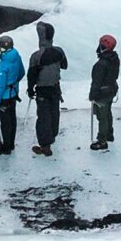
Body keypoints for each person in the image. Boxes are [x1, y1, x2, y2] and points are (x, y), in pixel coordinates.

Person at [27, 22, 68, 156]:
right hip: (55, 88)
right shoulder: (59, 51)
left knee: (43, 117)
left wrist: (30, 89)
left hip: (42, 90)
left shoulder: (36, 56)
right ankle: (52, 135)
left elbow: (31, 75)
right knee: (54, 113)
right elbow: (64, 66)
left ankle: (45, 145)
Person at [0, 35, 24, 155]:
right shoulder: (16, 56)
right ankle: (11, 143)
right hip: (14, 92)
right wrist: (14, 82)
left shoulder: (3, 65)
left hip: (5, 96)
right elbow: (22, 72)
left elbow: (1, 86)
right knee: (12, 118)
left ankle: (6, 147)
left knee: (5, 123)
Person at [88, 34, 119, 150]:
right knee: (107, 112)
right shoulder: (114, 59)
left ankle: (102, 140)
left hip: (102, 93)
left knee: (102, 117)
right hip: (111, 90)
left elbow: (96, 82)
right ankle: (109, 134)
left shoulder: (100, 64)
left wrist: (92, 95)